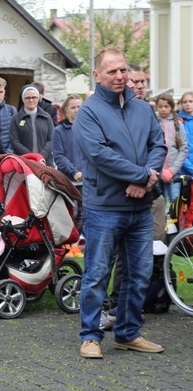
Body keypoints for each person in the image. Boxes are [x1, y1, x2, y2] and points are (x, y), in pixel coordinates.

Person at [72, 47, 166, 359]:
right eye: (112, 71)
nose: (120, 76)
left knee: (138, 274)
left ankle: (127, 333)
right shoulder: (88, 112)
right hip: (104, 207)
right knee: (97, 274)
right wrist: (142, 176)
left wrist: (147, 177)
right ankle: (90, 336)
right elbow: (99, 155)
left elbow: (158, 144)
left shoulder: (143, 109)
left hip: (140, 208)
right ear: (97, 76)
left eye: (123, 70)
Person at [53, 94, 85, 247]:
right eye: (73, 107)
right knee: (72, 213)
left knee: (83, 215)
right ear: (66, 110)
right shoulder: (59, 131)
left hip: (86, 181)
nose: (77, 110)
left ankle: (76, 244)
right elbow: (59, 156)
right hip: (69, 180)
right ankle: (66, 244)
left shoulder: (88, 128)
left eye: (79, 107)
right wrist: (74, 171)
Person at [155, 92, 188, 205]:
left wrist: (172, 171)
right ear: (156, 107)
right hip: (156, 173)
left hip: (174, 174)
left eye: (166, 106)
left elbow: (183, 150)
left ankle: (176, 224)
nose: (163, 109)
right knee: (158, 204)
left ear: (171, 107)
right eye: (160, 106)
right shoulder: (153, 123)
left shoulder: (178, 125)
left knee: (176, 204)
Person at [10, 85, 55, 165]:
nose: (31, 100)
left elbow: (51, 139)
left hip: (45, 162)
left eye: (34, 97)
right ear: (23, 99)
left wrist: (41, 156)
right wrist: (31, 157)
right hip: (24, 162)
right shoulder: (16, 118)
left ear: (38, 99)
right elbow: (14, 141)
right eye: (28, 98)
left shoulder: (46, 117)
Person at [179, 92, 193, 177]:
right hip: (184, 169)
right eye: (185, 102)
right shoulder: (178, 121)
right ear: (181, 104)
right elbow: (179, 147)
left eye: (191, 101)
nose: (188, 104)